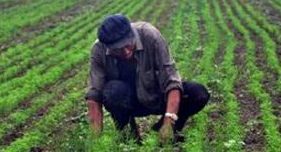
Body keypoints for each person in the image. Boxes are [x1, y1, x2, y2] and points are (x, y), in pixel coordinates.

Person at [86, 14, 210, 142]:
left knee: (198, 93)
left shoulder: (150, 35)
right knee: (113, 92)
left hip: (158, 96)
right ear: (108, 47)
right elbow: (94, 96)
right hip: (130, 101)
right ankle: (130, 138)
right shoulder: (99, 50)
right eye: (119, 50)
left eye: (128, 45)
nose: (126, 52)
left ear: (132, 34)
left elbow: (172, 81)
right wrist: (96, 140)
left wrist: (169, 120)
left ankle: (163, 132)